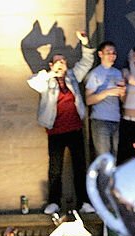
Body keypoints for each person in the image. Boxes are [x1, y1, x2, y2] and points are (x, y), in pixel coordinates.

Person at [27, 31, 94, 215]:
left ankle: (84, 202)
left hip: (75, 128)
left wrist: (85, 42)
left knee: (80, 167)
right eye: (57, 62)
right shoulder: (46, 80)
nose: (61, 64)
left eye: (63, 61)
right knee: (55, 168)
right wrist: (51, 73)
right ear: (51, 64)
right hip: (56, 130)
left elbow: (87, 62)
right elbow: (32, 82)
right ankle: (54, 202)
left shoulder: (72, 76)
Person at [85, 41, 125, 158]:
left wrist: (123, 92)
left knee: (114, 158)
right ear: (100, 54)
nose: (112, 55)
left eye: (114, 53)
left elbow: (123, 100)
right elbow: (88, 100)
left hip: (116, 119)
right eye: (108, 53)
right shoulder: (95, 74)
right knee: (104, 160)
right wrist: (107, 92)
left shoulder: (117, 73)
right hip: (100, 120)